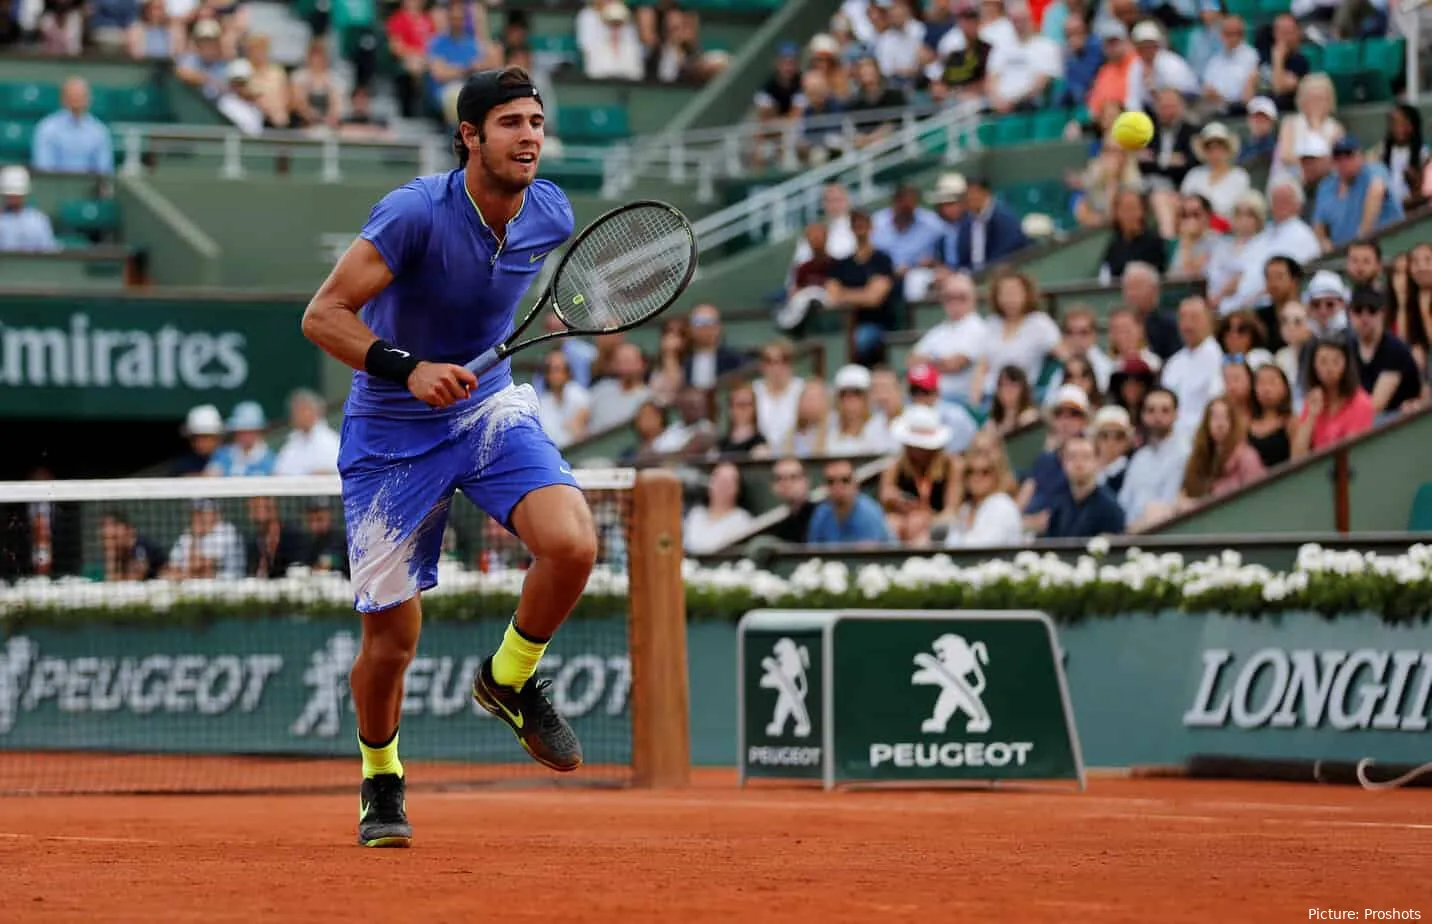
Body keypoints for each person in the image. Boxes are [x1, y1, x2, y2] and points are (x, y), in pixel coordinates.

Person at [301, 68, 592, 849]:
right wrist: (409, 367)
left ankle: (507, 679)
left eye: (535, 120)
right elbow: (322, 317)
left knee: (572, 543)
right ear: (470, 137)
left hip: (489, 403)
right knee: (391, 643)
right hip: (393, 431)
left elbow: (498, 294)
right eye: (509, 123)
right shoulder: (414, 213)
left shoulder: (551, 211)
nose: (529, 134)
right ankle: (381, 775)